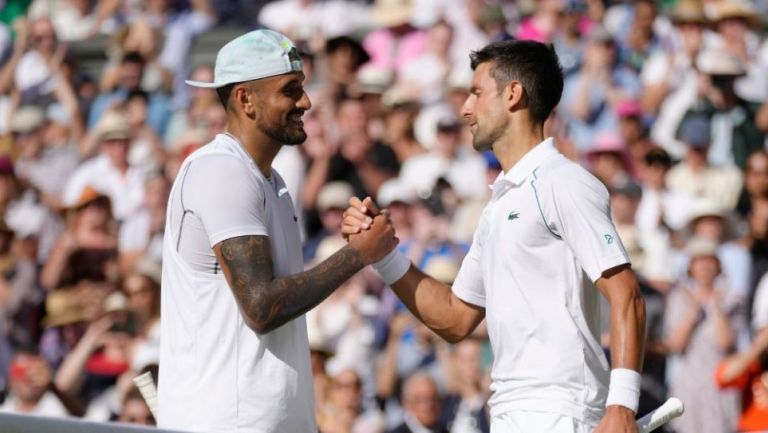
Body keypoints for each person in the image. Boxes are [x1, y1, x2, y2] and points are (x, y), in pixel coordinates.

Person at [344, 40, 646, 433]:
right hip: (508, 411)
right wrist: (384, 255)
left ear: (513, 94)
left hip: (560, 409)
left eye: (475, 92)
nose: (465, 108)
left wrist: (622, 405)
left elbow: (628, 297)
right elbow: (454, 318)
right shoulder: (498, 206)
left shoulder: (565, 182)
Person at [157, 29, 397, 433]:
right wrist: (357, 254)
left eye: (302, 87)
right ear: (245, 99)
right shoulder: (222, 169)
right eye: (290, 90)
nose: (305, 101)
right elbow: (261, 306)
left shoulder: (272, 183)